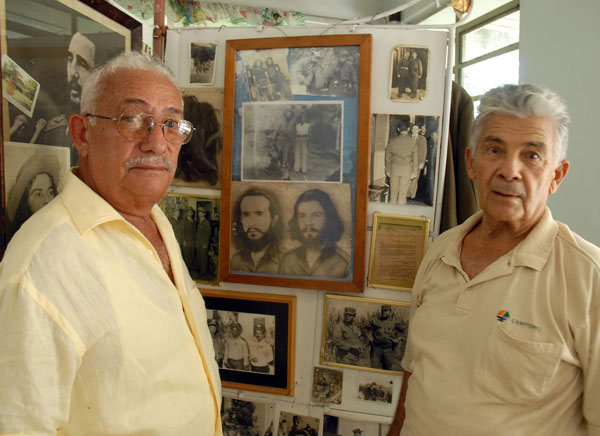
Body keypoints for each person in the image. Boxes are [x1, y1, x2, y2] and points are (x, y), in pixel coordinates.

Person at [0, 51, 222, 434]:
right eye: (133, 120)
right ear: (82, 133)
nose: (156, 143)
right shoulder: (41, 265)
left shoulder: (153, 219)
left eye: (171, 124)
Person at [389, 84, 600, 436]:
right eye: (494, 149)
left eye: (531, 155)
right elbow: (415, 375)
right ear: (471, 163)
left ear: (556, 176)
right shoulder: (441, 251)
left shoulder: (587, 277)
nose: (509, 170)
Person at [39, 32, 97, 165]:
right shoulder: (52, 132)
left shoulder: (106, 137)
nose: (72, 72)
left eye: (82, 64)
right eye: (70, 59)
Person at [278, 188, 350, 278]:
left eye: (316, 215)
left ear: (329, 219)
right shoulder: (287, 259)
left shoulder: (345, 263)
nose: (308, 222)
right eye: (302, 216)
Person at [6, 152, 60, 241]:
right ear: (25, 202)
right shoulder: (23, 239)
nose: (47, 200)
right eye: (38, 194)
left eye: (50, 192)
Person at [230, 187, 283, 274]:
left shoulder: (286, 259)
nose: (252, 223)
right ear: (241, 219)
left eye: (259, 214)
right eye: (246, 215)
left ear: (274, 220)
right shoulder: (236, 259)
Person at [385, 120, 419, 205]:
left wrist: (388, 170)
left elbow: (387, 157)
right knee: (402, 194)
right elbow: (415, 159)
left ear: (398, 129)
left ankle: (391, 213)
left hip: (394, 169)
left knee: (393, 194)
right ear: (408, 129)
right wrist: (414, 172)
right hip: (406, 170)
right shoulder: (413, 141)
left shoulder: (392, 141)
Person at [369, 304, 401, 370]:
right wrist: (368, 336)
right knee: (373, 369)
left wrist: (399, 339)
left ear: (390, 311)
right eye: (383, 310)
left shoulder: (394, 322)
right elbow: (364, 327)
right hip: (376, 349)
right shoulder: (375, 320)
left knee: (388, 369)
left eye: (386, 311)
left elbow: (404, 330)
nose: (384, 312)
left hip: (388, 350)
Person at [408, 124, 427, 199]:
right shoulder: (408, 137)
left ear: (419, 130)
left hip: (418, 162)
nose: (415, 130)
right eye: (413, 129)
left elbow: (424, 151)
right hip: (409, 162)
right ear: (411, 130)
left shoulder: (422, 139)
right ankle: (407, 194)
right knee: (408, 177)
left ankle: (412, 195)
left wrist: (422, 162)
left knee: (415, 179)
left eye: (416, 129)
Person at [195, 207, 211, 277]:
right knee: (199, 257)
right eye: (199, 213)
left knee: (203, 258)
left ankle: (203, 272)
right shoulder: (199, 222)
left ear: (204, 214)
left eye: (201, 213)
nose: (200, 214)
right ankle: (200, 270)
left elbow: (208, 234)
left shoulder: (206, 222)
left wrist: (206, 244)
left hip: (203, 244)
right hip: (198, 243)